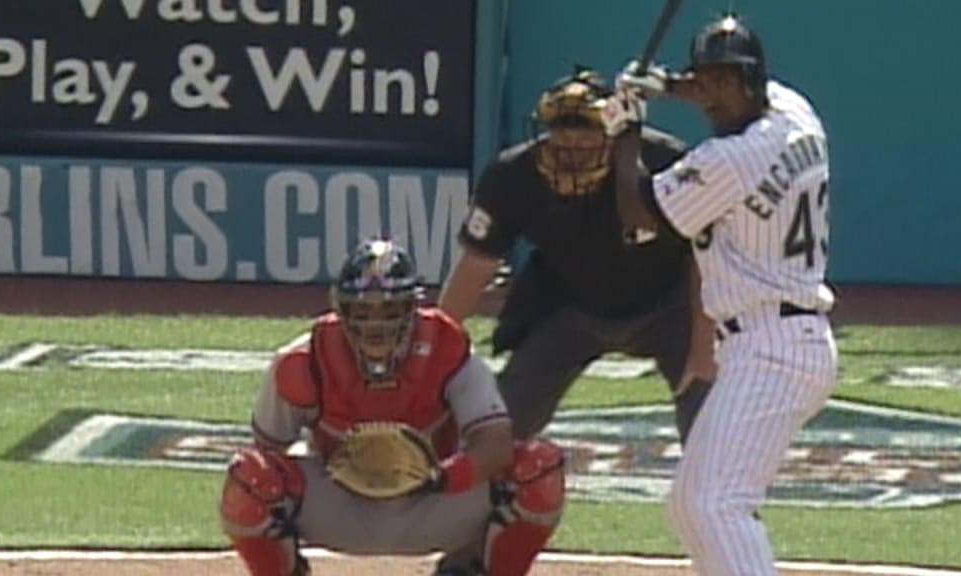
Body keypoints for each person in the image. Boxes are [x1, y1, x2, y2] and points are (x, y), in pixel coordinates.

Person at [612, 13, 839, 575]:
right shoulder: (794, 112)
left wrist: (625, 129)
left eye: (724, 81)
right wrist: (663, 85)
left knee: (717, 506)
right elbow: (718, 90)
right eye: (704, 79)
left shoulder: (731, 160)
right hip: (772, 341)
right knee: (692, 506)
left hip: (775, 347)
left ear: (751, 80)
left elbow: (638, 212)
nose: (710, 95)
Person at [219, 238, 566, 576]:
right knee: (249, 477)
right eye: (363, 310)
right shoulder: (302, 362)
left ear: (411, 308)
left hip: (432, 500)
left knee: (539, 468)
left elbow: (495, 443)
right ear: (341, 309)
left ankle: (471, 567)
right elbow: (267, 454)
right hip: (342, 500)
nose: (376, 324)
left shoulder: (446, 348)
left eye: (389, 309)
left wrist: (441, 476)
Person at [439, 67, 716, 443]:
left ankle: (721, 499)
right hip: (569, 307)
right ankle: (480, 498)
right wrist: (434, 352)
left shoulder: (667, 165)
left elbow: (706, 260)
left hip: (669, 308)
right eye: (561, 143)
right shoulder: (512, 176)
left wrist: (703, 352)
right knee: (501, 423)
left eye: (585, 145)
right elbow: (475, 266)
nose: (571, 156)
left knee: (710, 420)